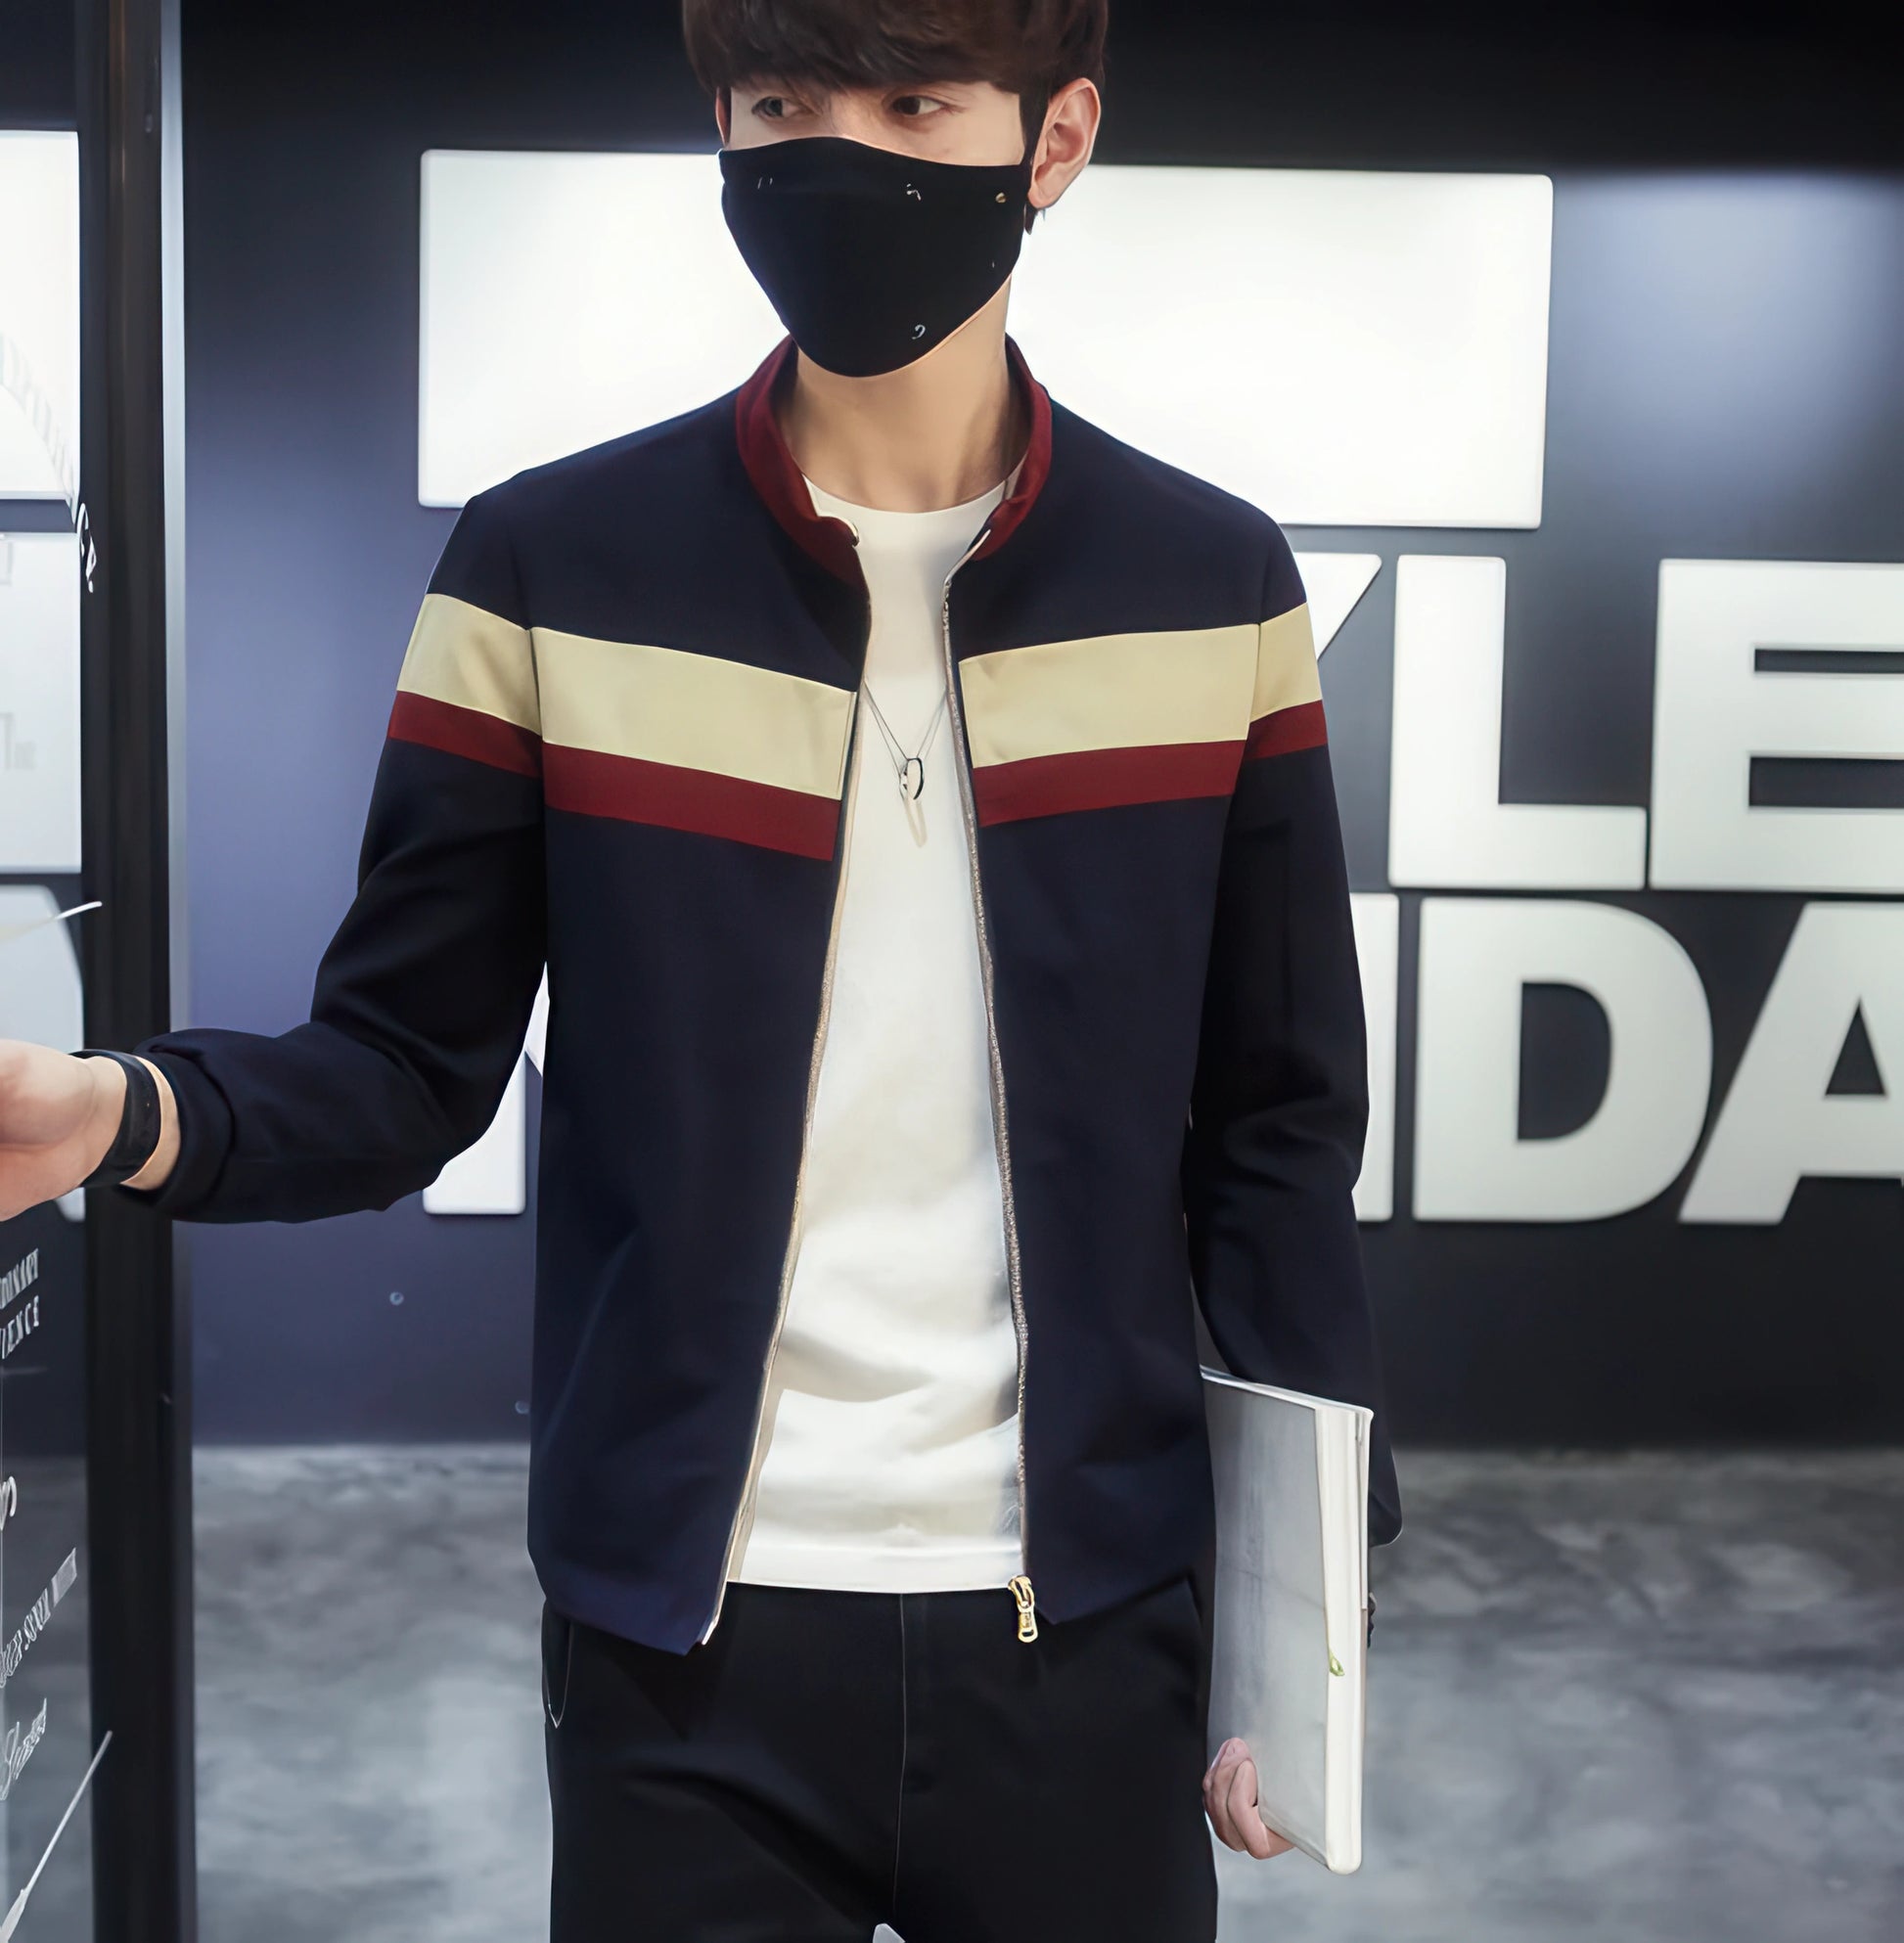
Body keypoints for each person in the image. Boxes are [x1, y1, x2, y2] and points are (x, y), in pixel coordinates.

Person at [0, 0, 1401, 1934]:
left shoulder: (1210, 585)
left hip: (1088, 1634)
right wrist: (116, 1111)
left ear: (1055, 138)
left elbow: (1274, 1126)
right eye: (780, 101)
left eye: (914, 102)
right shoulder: (548, 566)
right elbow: (403, 1058)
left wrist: (1304, 1609)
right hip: (684, 1651)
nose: (839, 154)